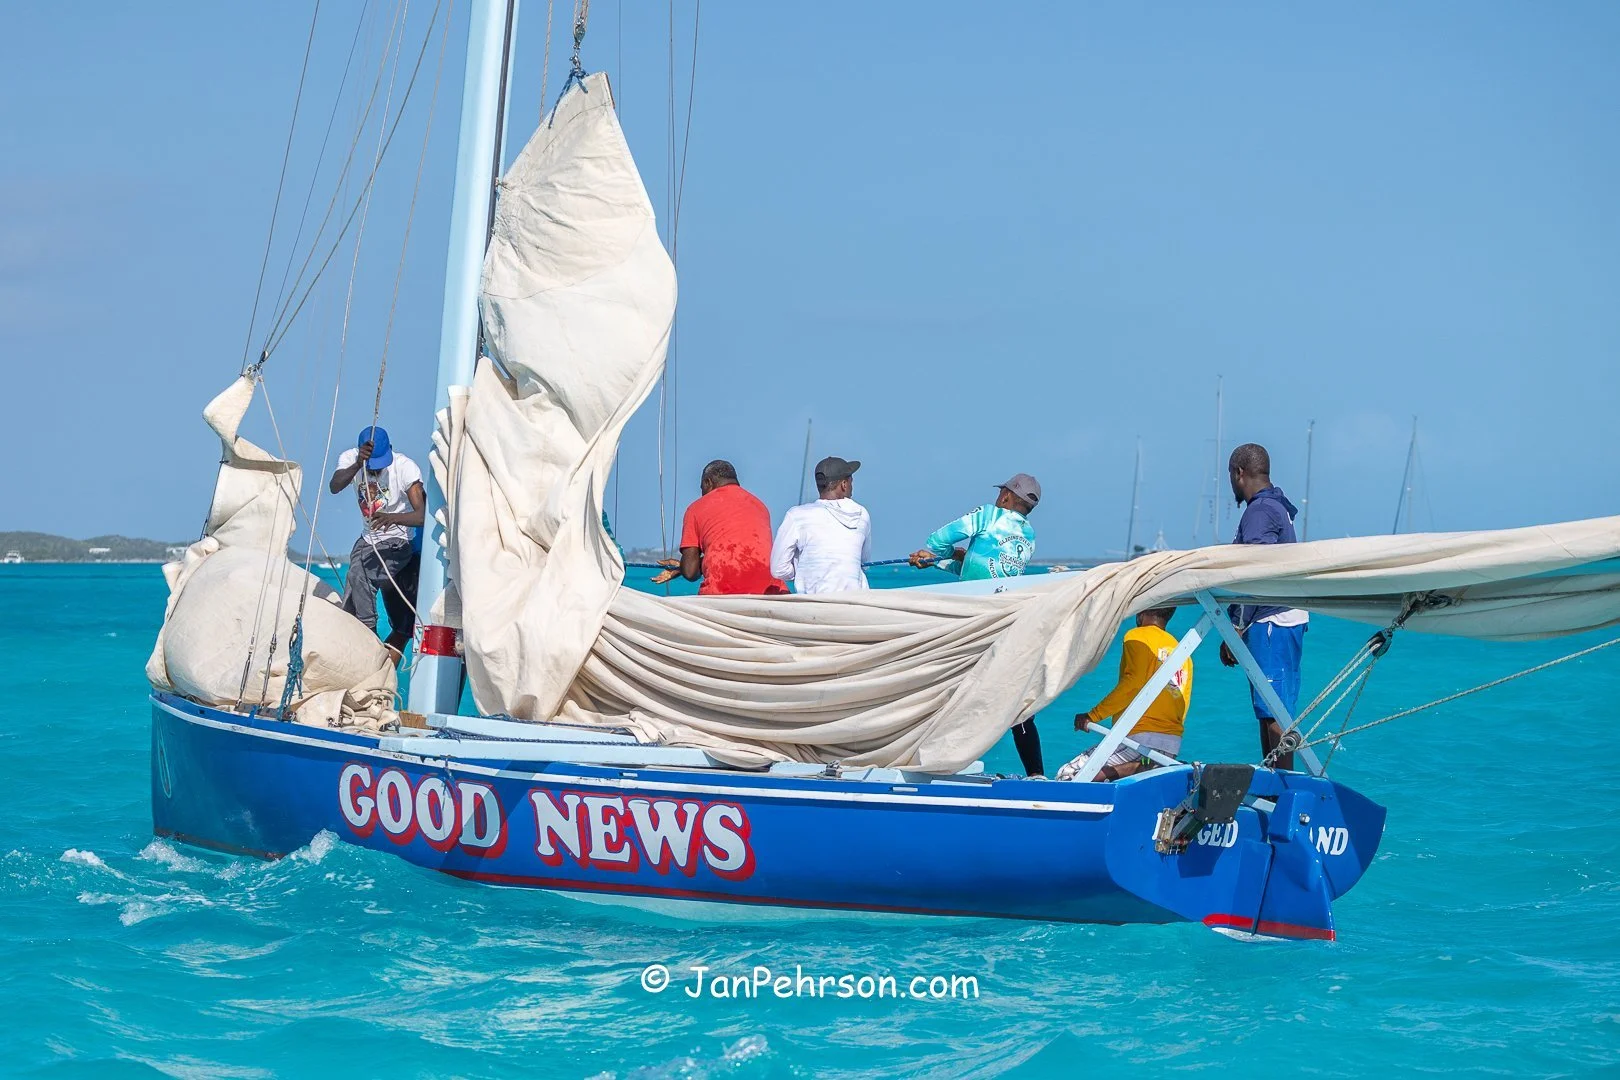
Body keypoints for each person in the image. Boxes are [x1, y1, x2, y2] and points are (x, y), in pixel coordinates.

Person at [908, 473, 1044, 775]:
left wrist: (932, 554)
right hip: (1007, 618)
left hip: (971, 618)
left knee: (945, 685)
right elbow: (980, 569)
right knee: (1018, 704)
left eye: (1001, 494)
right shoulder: (1028, 536)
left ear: (1007, 497)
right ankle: (1036, 773)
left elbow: (939, 539)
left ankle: (929, 759)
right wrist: (939, 561)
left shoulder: (988, 514)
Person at [1222, 442, 1307, 770]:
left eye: (1230, 475)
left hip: (1271, 619)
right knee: (1271, 707)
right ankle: (1276, 784)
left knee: (1273, 708)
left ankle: (1284, 789)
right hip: (1284, 617)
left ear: (1239, 473)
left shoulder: (1259, 511)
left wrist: (1235, 627)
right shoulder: (1277, 506)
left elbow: (1254, 573)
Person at [1055, 607, 1192, 781]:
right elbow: (1183, 703)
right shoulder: (1182, 651)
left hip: (1139, 738)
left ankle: (1138, 768)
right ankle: (1141, 767)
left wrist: (1093, 715)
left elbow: (1133, 683)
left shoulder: (1138, 636)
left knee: (1067, 775)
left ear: (1143, 612)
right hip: (1171, 743)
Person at [329, 425, 424, 661]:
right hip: (368, 540)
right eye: (371, 466)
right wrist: (356, 464)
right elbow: (334, 487)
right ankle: (355, 654)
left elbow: (422, 516)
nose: (375, 471)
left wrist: (393, 518)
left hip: (398, 541)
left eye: (380, 465)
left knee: (362, 575)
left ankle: (368, 637)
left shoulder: (404, 467)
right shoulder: (351, 459)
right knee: (352, 588)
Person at [652, 460, 786, 595]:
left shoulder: (695, 509)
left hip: (722, 591)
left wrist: (683, 567)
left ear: (707, 482)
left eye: (701, 488)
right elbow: (742, 552)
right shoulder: (760, 506)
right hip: (772, 592)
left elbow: (690, 572)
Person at [770, 456, 871, 594]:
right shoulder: (861, 514)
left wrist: (804, 568)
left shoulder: (797, 515)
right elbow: (863, 561)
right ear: (844, 485)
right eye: (851, 481)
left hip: (814, 603)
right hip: (855, 601)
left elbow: (778, 570)